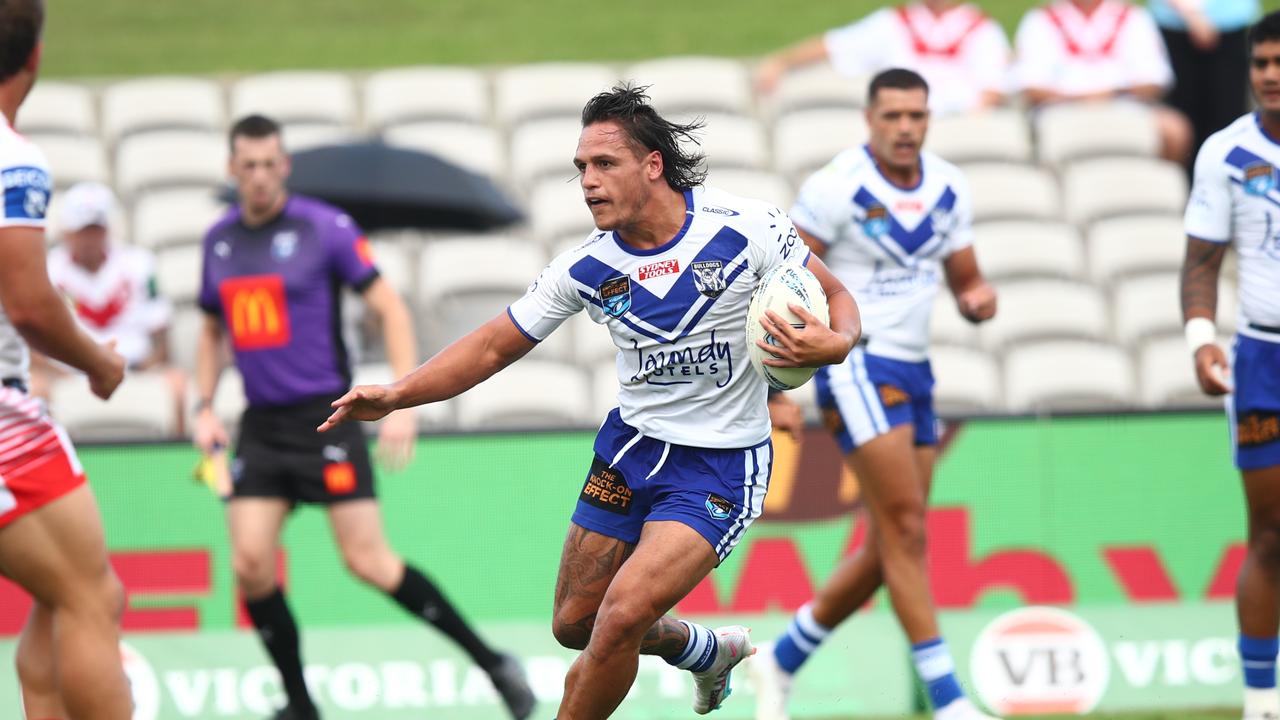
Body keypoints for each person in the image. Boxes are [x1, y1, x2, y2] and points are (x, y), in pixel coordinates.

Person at [319, 84, 861, 720]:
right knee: (577, 625)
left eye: (604, 165)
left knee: (623, 615)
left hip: (720, 466)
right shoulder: (586, 266)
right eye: (581, 168)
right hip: (629, 454)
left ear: (651, 165)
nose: (588, 181)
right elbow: (495, 345)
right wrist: (399, 393)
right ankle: (702, 649)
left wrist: (837, 343)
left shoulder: (747, 228)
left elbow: (837, 298)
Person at [193, 114, 535, 720]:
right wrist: (201, 404)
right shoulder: (218, 242)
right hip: (260, 426)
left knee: (369, 563)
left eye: (271, 163)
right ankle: (300, 704)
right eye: (248, 165)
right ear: (232, 169)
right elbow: (213, 330)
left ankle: (492, 662)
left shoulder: (323, 229)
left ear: (284, 165)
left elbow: (389, 307)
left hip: (325, 418)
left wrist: (400, 399)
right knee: (249, 563)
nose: (260, 176)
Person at [747, 68, 998, 720]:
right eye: (893, 116)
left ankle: (784, 658)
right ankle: (948, 701)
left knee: (893, 540)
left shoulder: (948, 185)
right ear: (870, 119)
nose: (906, 128)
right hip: (857, 365)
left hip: (916, 371)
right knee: (907, 528)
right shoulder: (836, 187)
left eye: (916, 115)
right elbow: (790, 283)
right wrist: (779, 388)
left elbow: (965, 277)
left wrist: (977, 299)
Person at [0, 1, 133, 718]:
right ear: (36, 56)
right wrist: (99, 364)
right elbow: (27, 302)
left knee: (57, 601)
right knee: (92, 596)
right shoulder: (10, 155)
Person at [1180, 11, 1280, 720]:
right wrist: (1199, 339)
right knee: (1271, 533)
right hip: (1262, 356)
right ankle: (1261, 701)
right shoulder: (1225, 152)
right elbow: (1201, 263)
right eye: (1261, 64)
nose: (1271, 76)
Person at [33, 181, 184, 428]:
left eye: (96, 229)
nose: (90, 239)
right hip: (66, 373)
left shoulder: (140, 264)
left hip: (135, 367)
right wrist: (65, 374)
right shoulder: (46, 269)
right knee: (34, 390)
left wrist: (144, 366)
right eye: (83, 230)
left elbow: (161, 333)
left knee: (177, 384)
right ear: (67, 231)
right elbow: (32, 344)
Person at [754, 0, 1011, 117]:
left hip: (955, 126)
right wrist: (781, 61)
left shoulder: (983, 30)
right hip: (899, 125)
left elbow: (991, 93)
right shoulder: (894, 23)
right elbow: (834, 44)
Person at [1013, 0, 1193, 163]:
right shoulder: (1040, 19)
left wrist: (1112, 94)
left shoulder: (1133, 17)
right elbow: (1031, 86)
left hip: (1124, 103)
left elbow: (1155, 80)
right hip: (1060, 107)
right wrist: (1081, 98)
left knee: (1175, 130)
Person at [1149, 0, 1260, 160]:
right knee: (1186, 118)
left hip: (1230, 20)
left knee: (1228, 115)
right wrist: (1192, 14)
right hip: (1175, 23)